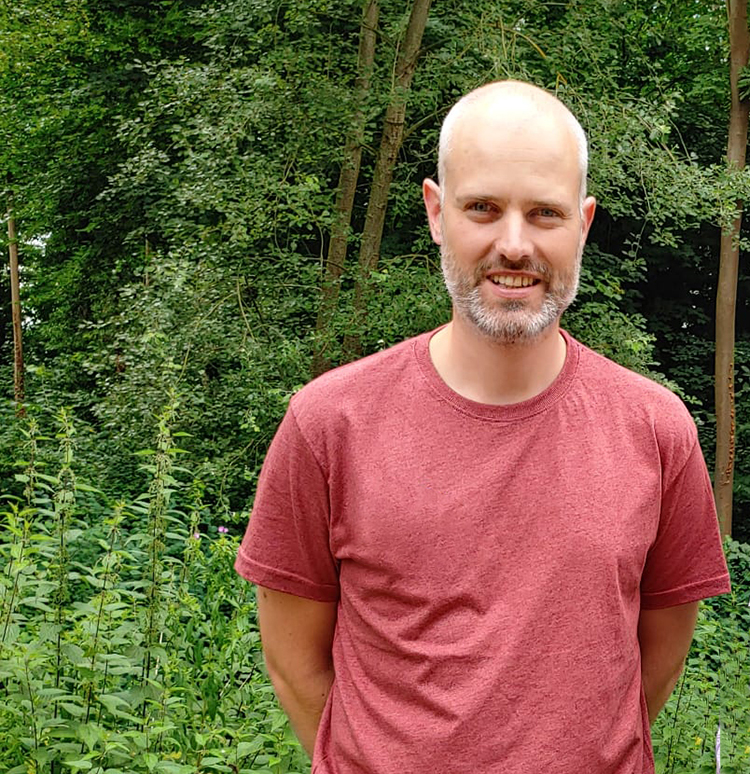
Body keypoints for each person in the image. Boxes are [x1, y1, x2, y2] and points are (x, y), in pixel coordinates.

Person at [235, 81, 731, 774]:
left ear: (583, 225)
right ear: (438, 213)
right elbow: (294, 665)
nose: (515, 244)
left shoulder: (656, 430)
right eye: (484, 208)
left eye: (545, 213)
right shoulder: (328, 424)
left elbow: (658, 658)